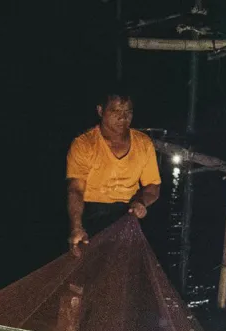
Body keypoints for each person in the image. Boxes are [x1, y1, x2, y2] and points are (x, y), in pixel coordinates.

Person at [65, 87, 162, 252]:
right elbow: (76, 190)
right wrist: (76, 227)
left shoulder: (144, 143)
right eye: (116, 111)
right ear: (100, 110)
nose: (123, 117)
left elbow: (153, 186)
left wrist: (141, 202)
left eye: (128, 112)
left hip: (129, 213)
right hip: (94, 215)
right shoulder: (84, 144)